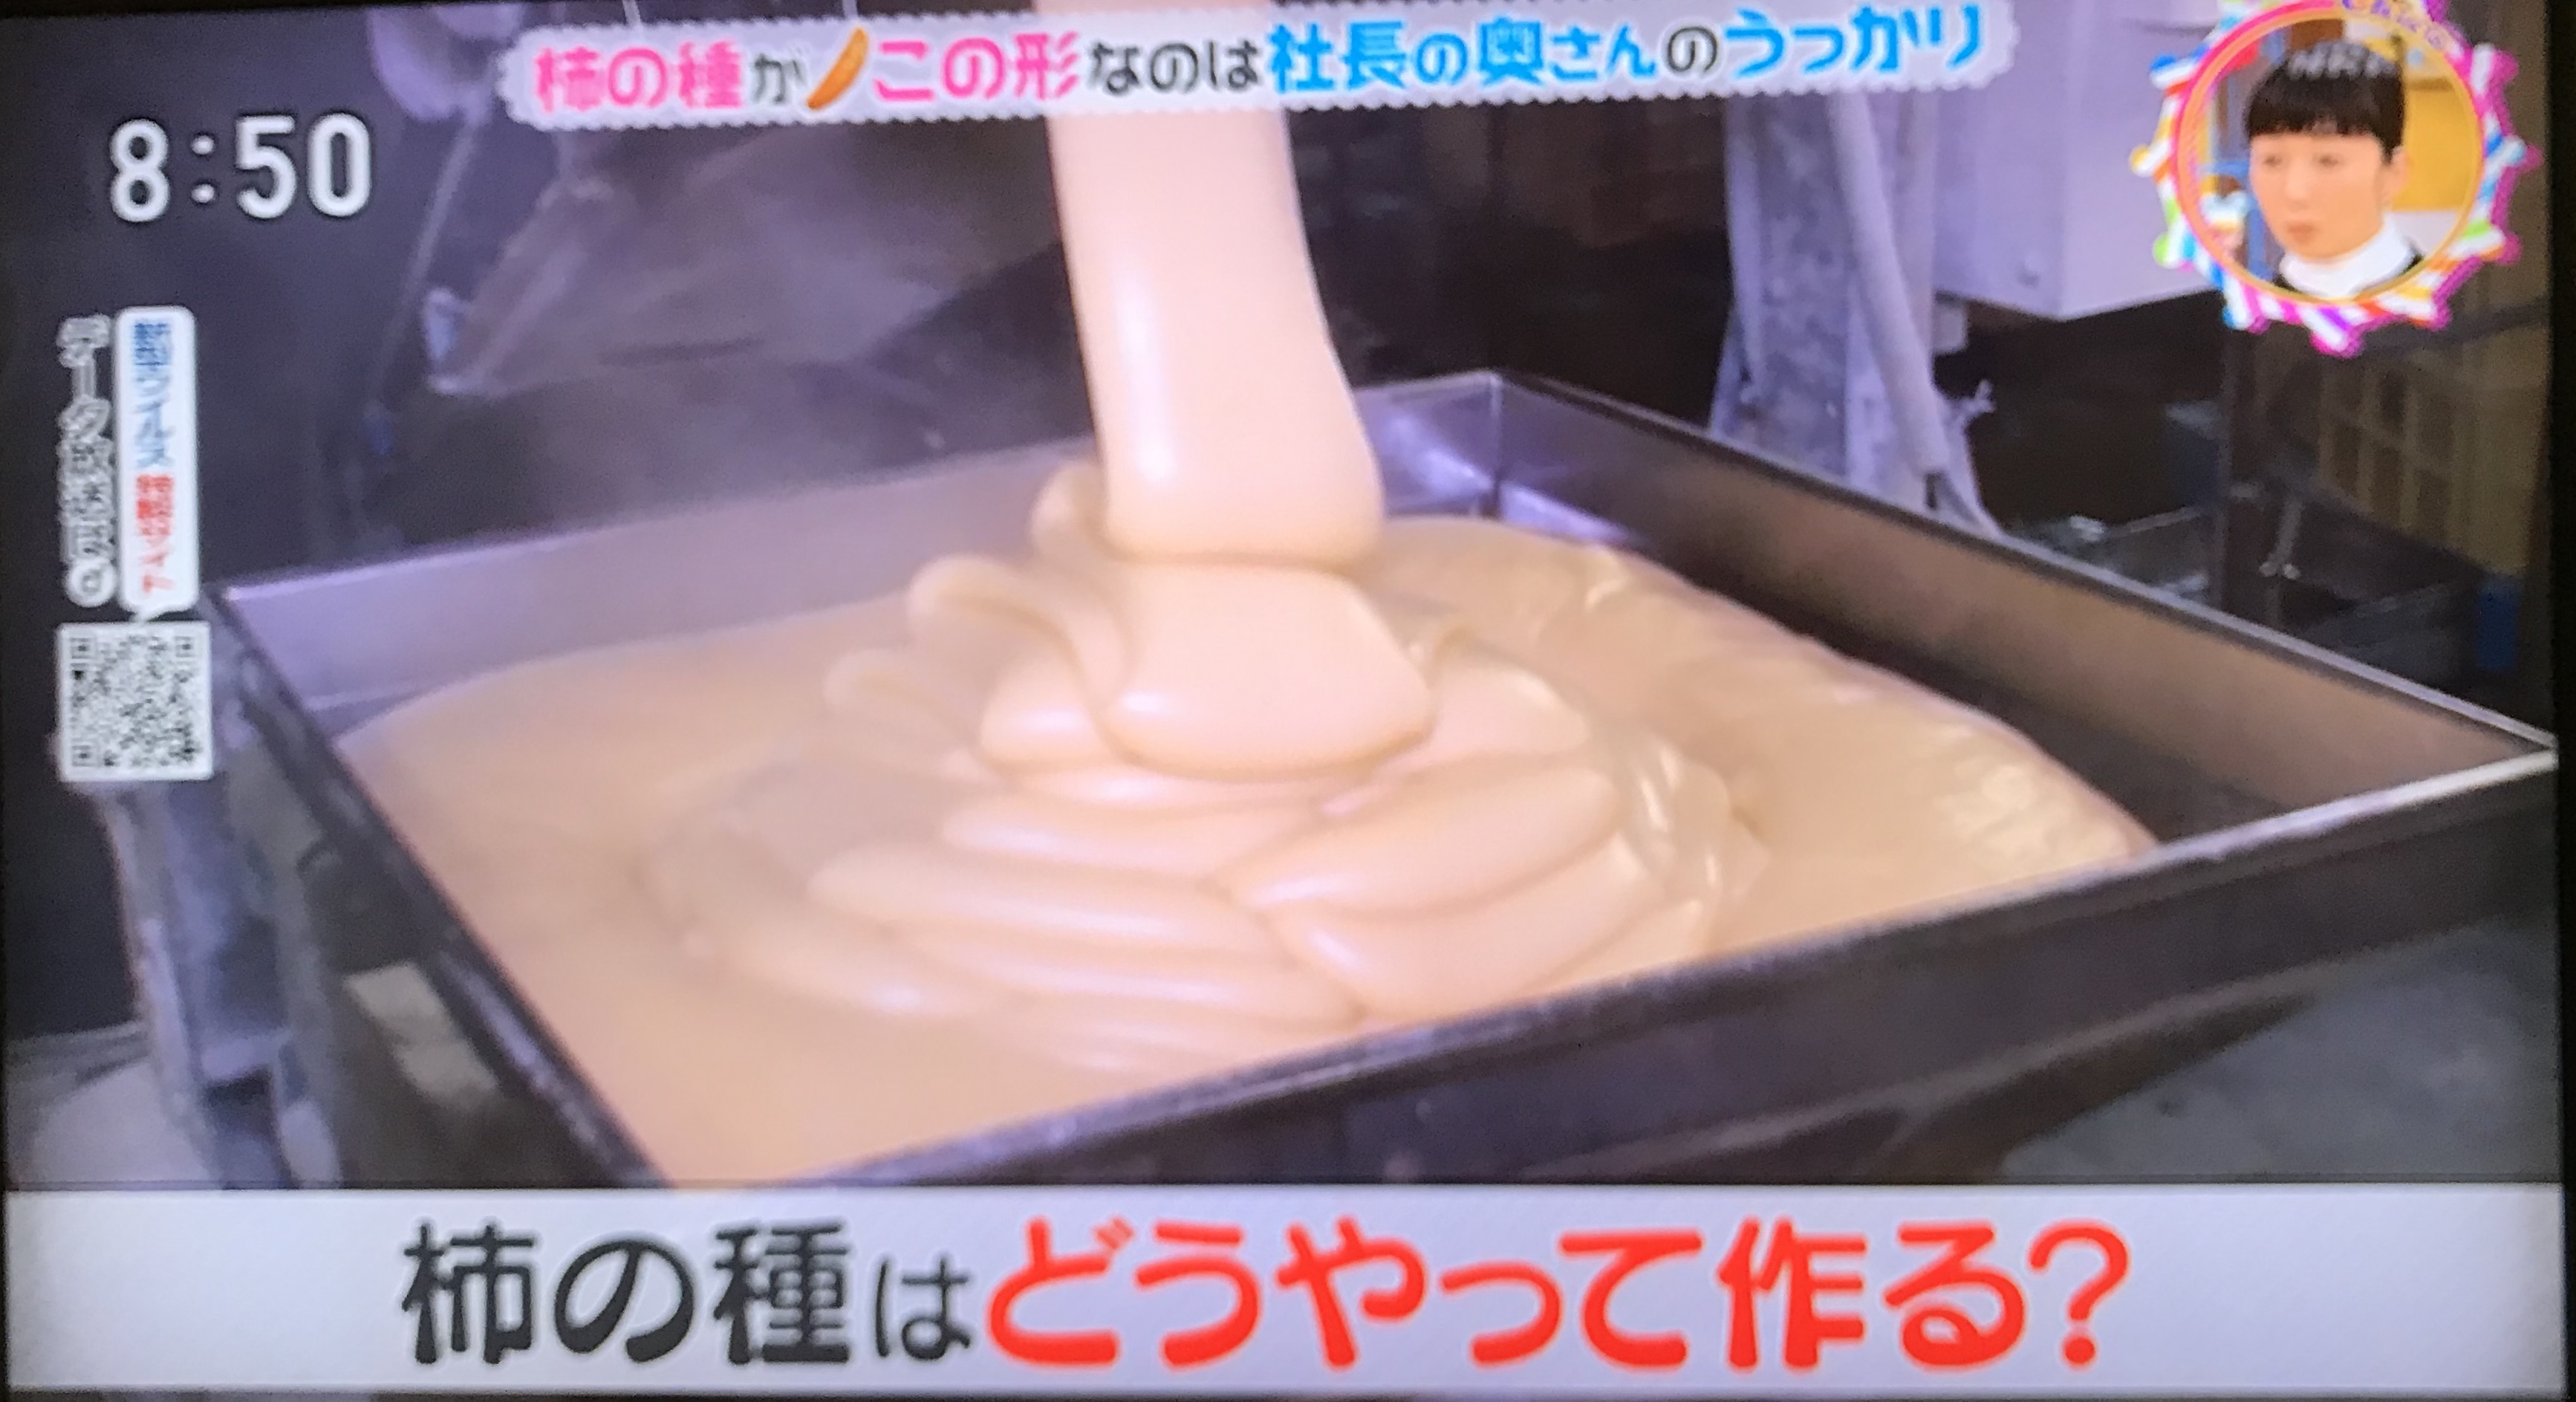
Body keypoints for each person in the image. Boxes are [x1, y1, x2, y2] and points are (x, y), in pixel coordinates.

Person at [2240, 39, 2420, 299]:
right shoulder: (2241, 314)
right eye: (2272, 161)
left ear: (2394, 173)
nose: (2295, 192)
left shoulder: (2456, 308)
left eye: (2328, 161)